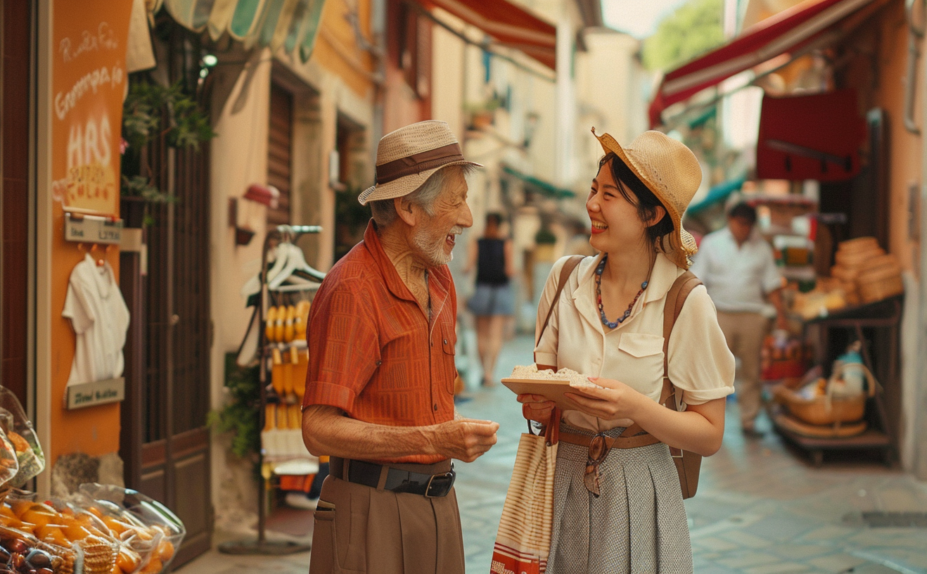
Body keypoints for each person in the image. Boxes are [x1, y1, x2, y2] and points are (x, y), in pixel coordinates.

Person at [518, 129, 735, 573]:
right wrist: (539, 405)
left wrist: (634, 406)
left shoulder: (685, 301)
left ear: (651, 214)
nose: (592, 205)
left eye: (610, 195)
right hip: (561, 484)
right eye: (593, 189)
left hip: (642, 488)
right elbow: (544, 385)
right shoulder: (564, 280)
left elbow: (710, 433)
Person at [301, 120, 500, 574]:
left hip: (438, 506)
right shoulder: (353, 289)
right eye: (458, 202)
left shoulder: (441, 278)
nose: (468, 219)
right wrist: (432, 437)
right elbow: (317, 429)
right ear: (408, 207)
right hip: (369, 512)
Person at [690, 201, 787, 438]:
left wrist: (781, 315)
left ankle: (749, 421)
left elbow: (772, 284)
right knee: (712, 369)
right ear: (730, 220)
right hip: (719, 314)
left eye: (748, 224)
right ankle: (704, 420)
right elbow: (697, 279)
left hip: (752, 316)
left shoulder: (762, 248)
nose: (744, 228)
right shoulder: (712, 243)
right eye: (740, 223)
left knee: (751, 371)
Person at [463, 212, 515, 387]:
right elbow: (509, 270)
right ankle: (489, 374)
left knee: (481, 335)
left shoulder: (477, 242)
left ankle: (483, 372)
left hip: (482, 289)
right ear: (500, 225)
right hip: (500, 290)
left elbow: (468, 266)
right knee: (495, 335)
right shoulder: (506, 243)